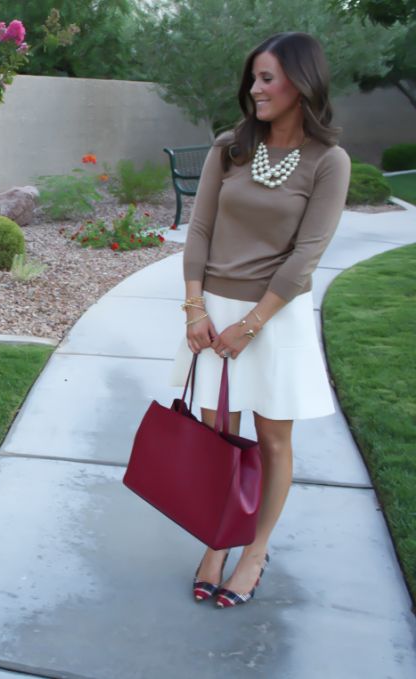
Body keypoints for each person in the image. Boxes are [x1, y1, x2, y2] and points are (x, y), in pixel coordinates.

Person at [170, 32, 351, 608]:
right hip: (213, 311)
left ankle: (254, 550)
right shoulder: (231, 146)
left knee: (273, 438)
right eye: (253, 78)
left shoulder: (329, 161)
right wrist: (196, 308)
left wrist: (253, 324)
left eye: (267, 78)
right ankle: (218, 542)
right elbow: (198, 232)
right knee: (219, 434)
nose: (255, 88)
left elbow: (306, 257)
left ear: (302, 82)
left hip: (275, 317)